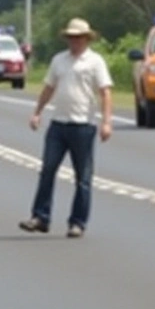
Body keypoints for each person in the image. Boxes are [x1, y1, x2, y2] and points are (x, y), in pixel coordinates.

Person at [20, 18, 113, 238]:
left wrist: (106, 122)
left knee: (83, 177)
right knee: (47, 170)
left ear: (86, 38)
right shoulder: (59, 60)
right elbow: (49, 87)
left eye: (78, 37)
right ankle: (40, 217)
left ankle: (77, 222)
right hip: (58, 124)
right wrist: (37, 112)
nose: (74, 42)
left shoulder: (95, 61)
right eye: (71, 37)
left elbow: (105, 92)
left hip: (82, 125)